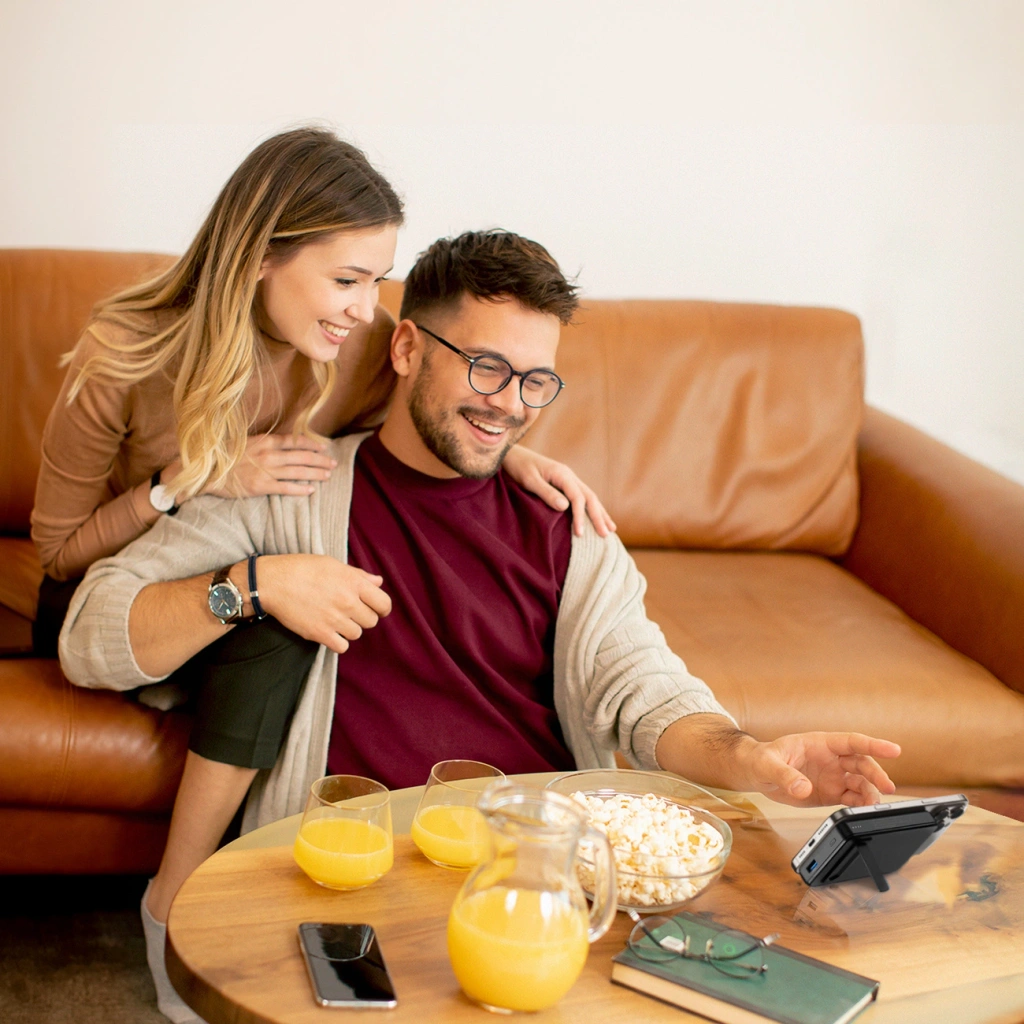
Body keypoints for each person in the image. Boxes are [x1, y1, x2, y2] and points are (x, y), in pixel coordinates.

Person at [61, 229, 900, 1023]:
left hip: (538, 885)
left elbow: (644, 688)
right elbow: (92, 635)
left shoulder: (568, 530)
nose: (510, 406)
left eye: (536, 381)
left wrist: (746, 757)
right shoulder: (291, 490)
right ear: (406, 348)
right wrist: (249, 585)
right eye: (488, 368)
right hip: (357, 886)